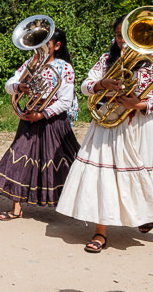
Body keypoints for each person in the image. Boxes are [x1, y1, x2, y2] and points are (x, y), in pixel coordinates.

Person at [57, 15, 153, 252]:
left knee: (145, 177)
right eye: (119, 35)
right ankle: (100, 232)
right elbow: (85, 85)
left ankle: (145, 213)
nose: (122, 40)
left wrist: (138, 105)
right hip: (107, 125)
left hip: (140, 125)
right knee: (104, 179)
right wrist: (102, 85)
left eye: (126, 34)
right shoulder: (106, 60)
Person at [0, 27, 80, 221]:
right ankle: (16, 207)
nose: (40, 47)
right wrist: (18, 86)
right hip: (29, 118)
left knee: (63, 161)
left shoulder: (64, 67)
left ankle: (75, 203)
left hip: (53, 121)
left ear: (57, 46)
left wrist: (43, 113)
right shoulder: (31, 63)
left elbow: (66, 100)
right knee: (19, 157)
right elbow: (9, 84)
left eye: (46, 43)